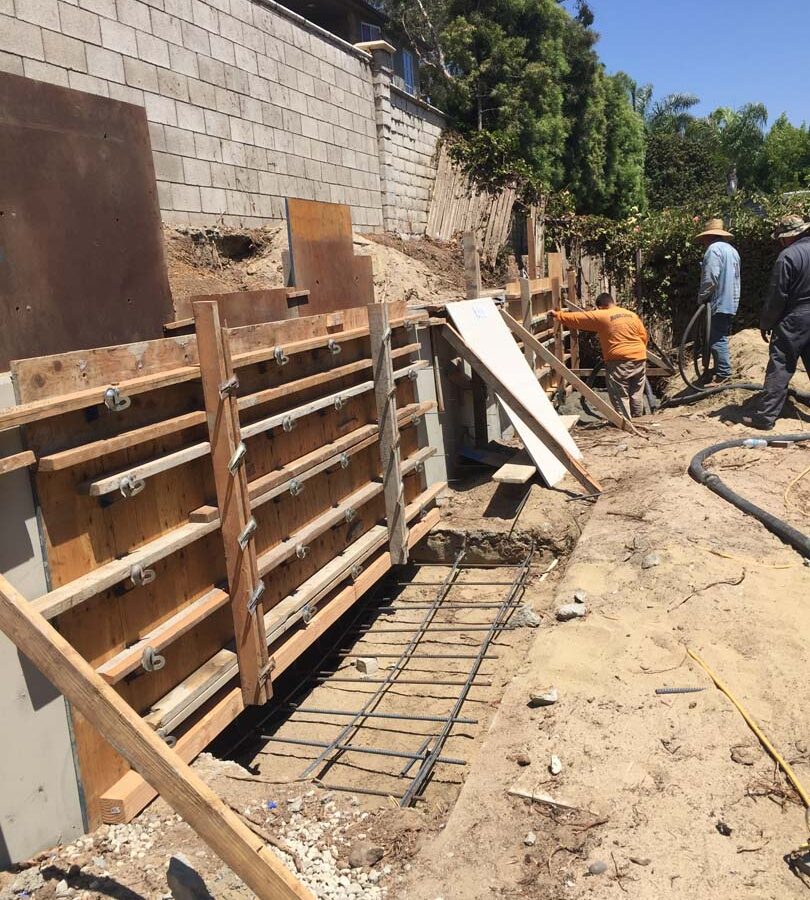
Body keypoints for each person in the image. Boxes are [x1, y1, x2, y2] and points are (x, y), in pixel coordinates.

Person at [741, 214, 810, 430]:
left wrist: (766, 323)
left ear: (786, 237)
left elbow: (777, 296)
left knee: (781, 364)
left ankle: (765, 417)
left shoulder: (787, 256)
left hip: (795, 318)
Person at [549, 293, 649, 419]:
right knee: (636, 392)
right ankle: (638, 419)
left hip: (619, 360)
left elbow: (579, 319)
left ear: (601, 306)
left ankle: (625, 423)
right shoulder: (632, 315)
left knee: (619, 393)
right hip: (640, 357)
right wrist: (637, 351)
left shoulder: (603, 315)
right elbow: (643, 336)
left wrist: (558, 315)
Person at [695, 217, 741, 383]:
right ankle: (719, 368)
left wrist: (702, 298)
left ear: (708, 236)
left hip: (718, 301)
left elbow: (710, 278)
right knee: (719, 335)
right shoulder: (732, 251)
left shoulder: (713, 250)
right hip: (731, 301)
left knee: (716, 338)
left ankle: (723, 372)